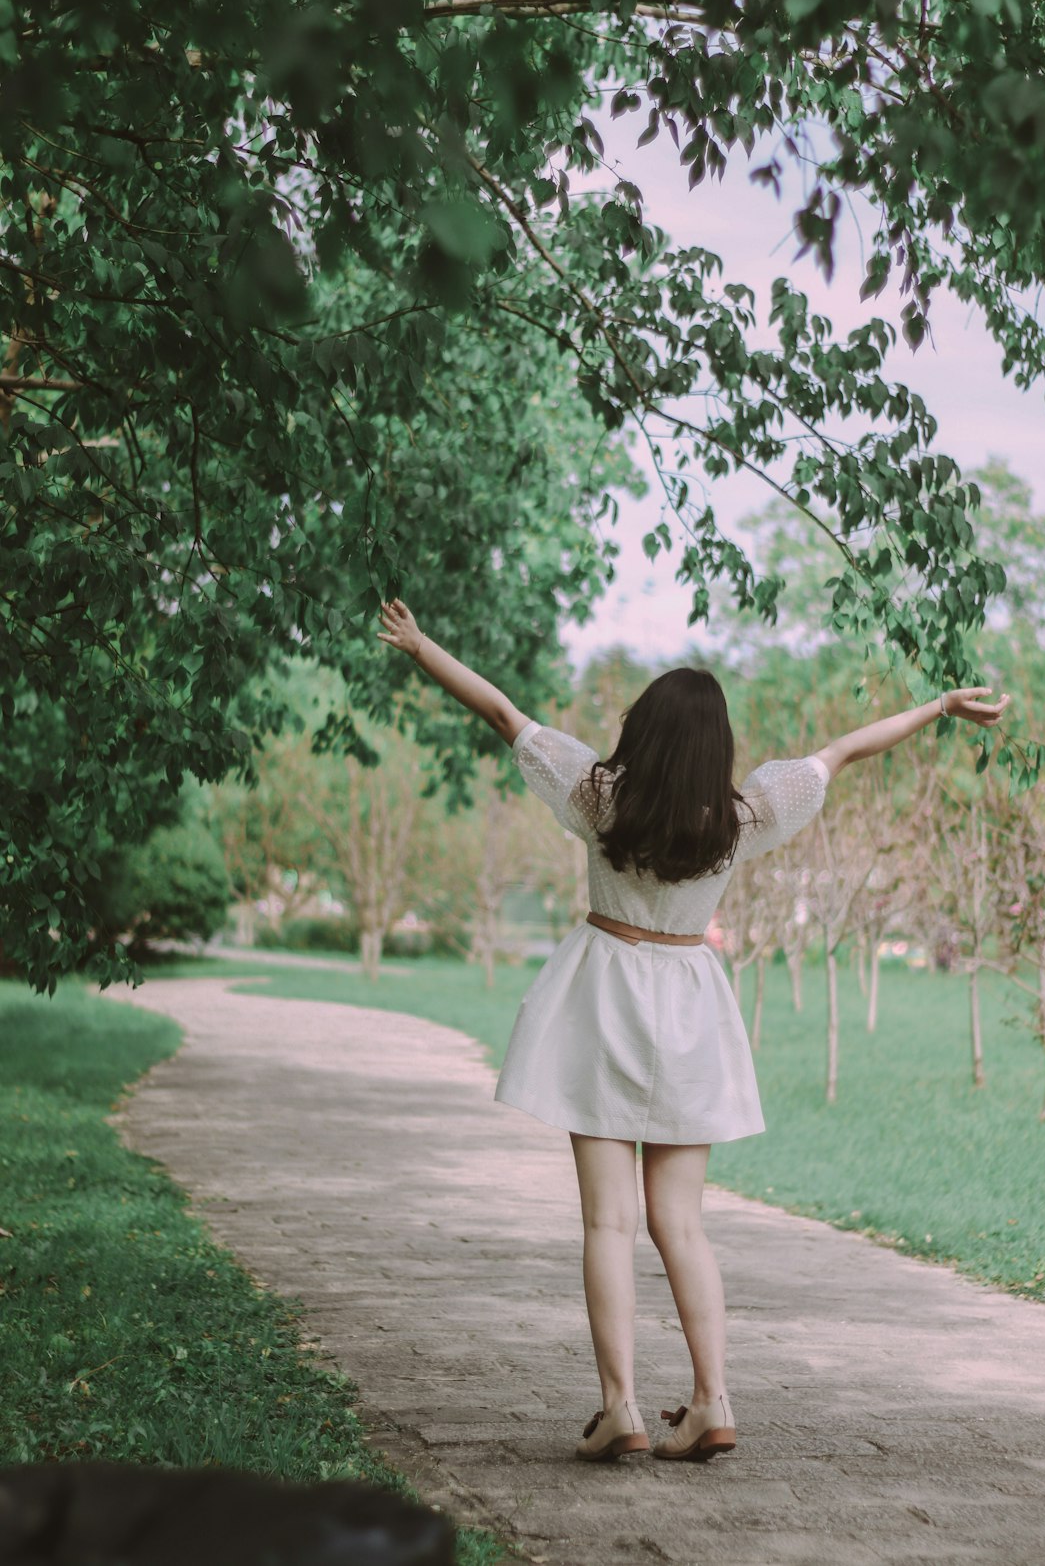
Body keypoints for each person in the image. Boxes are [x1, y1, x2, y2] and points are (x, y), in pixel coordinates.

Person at [377, 598, 1010, 1463]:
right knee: (681, 1223)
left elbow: (500, 711)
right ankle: (712, 1400)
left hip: (603, 999)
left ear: (642, 731)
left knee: (608, 1224)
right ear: (717, 751)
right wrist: (938, 706)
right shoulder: (744, 818)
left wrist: (420, 645)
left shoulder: (599, 796)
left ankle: (622, 1410)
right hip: (690, 1012)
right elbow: (847, 749)